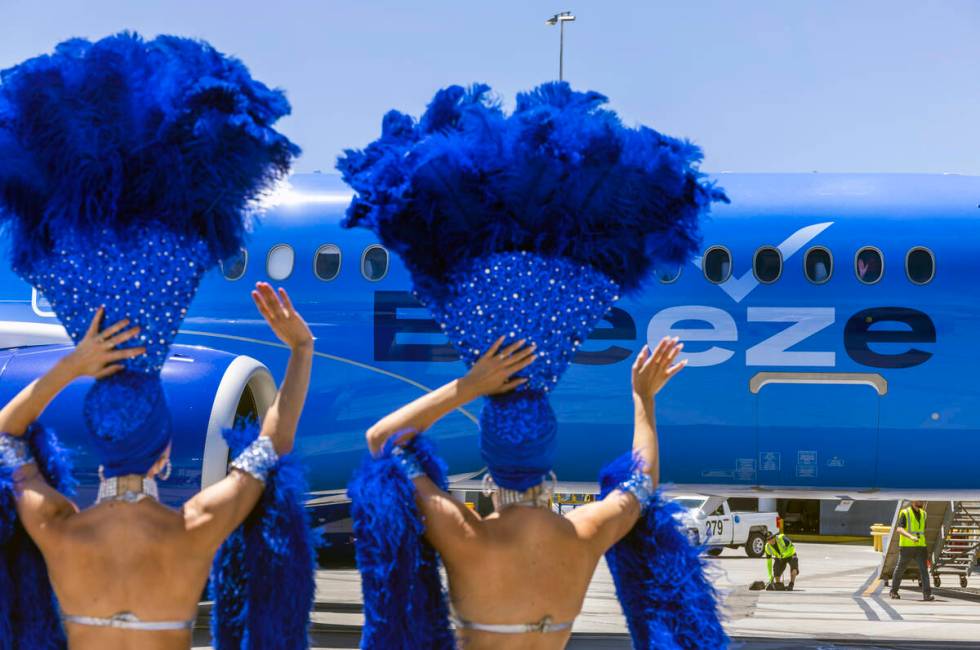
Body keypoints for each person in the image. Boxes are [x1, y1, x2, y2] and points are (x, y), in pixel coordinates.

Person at [355, 336, 725, 649]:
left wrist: (470, 386)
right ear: (550, 470)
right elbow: (643, 482)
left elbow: (383, 441)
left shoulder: (465, 536)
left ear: (489, 471)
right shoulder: (584, 535)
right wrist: (643, 398)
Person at [0, 283, 313, 648]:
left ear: (99, 447)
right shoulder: (195, 526)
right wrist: (301, 348)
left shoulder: (59, 528)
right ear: (164, 456)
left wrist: (74, 365)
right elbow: (274, 444)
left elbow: (7, 433)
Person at [889, 500, 935, 601]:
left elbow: (922, 530)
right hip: (907, 546)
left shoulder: (924, 514)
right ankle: (894, 591)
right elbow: (899, 529)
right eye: (919, 500)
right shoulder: (905, 513)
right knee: (900, 569)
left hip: (921, 546)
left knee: (924, 571)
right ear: (913, 501)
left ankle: (927, 595)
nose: (921, 501)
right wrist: (911, 537)